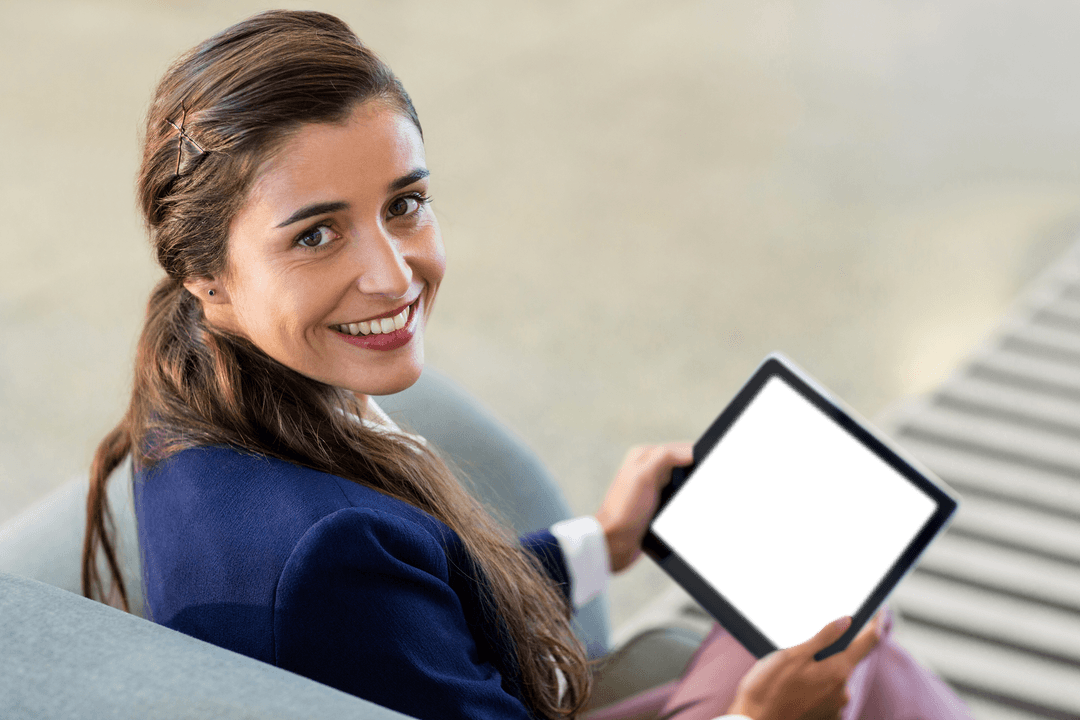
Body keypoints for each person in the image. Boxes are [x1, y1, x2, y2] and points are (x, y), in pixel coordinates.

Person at [80, 11, 971, 720]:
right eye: (315, 233)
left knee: (837, 627)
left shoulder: (196, 388)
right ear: (207, 275)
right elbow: (378, 599)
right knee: (851, 641)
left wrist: (601, 545)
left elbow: (413, 618)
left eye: (406, 203)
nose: (394, 276)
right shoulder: (326, 559)